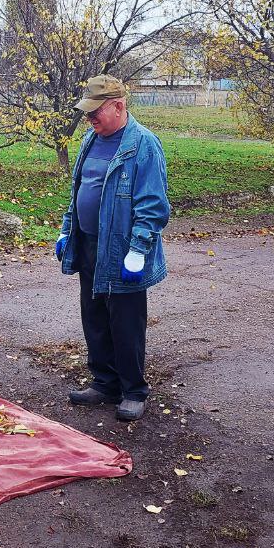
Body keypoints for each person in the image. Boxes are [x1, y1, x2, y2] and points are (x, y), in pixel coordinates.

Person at [55, 74, 171, 422]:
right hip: (89, 243)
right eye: (87, 112)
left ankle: (133, 390)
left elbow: (152, 204)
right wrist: (66, 230)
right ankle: (104, 383)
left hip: (123, 251)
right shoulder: (92, 139)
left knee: (126, 322)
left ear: (118, 106)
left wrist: (138, 250)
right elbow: (79, 191)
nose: (89, 118)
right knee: (94, 317)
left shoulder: (143, 144)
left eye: (95, 111)